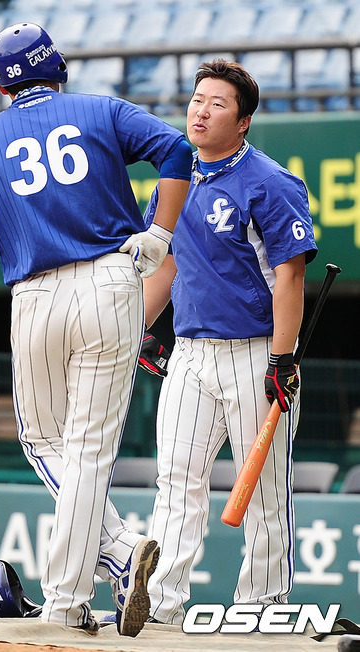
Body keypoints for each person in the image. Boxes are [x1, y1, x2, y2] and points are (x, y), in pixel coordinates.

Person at [0, 23, 191, 636]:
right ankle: (99, 571)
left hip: (36, 295)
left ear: (1, 86)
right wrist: (160, 232)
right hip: (113, 282)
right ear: (57, 67)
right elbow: (177, 150)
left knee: (45, 441)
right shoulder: (100, 109)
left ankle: (102, 569)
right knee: (89, 450)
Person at [139, 59, 318, 625]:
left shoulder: (270, 181)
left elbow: (291, 276)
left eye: (217, 104)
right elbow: (165, 263)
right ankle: (160, 604)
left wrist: (282, 358)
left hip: (255, 351)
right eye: (197, 99)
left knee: (263, 491)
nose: (201, 111)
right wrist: (138, 327)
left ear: (243, 122)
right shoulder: (175, 175)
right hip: (190, 354)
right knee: (176, 483)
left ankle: (261, 608)